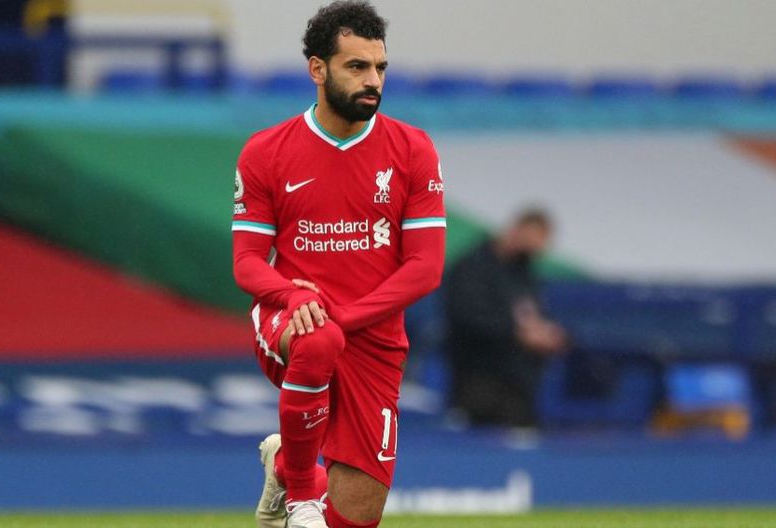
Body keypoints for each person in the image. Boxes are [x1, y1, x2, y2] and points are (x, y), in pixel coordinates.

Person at [231, 2, 446, 527]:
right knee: (319, 339)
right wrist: (294, 296)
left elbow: (425, 268)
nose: (373, 80)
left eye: (380, 67)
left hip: (373, 338)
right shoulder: (266, 151)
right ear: (317, 69)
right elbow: (247, 264)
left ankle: (286, 465)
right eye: (357, 66)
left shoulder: (412, 149)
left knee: (357, 517)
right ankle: (302, 494)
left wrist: (344, 317)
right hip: (289, 320)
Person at [444, 209, 567, 429]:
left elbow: (533, 313)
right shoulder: (473, 267)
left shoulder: (523, 272)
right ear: (517, 230)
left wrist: (545, 333)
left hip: (519, 380)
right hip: (478, 375)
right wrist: (517, 334)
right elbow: (467, 318)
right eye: (532, 240)